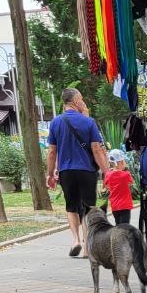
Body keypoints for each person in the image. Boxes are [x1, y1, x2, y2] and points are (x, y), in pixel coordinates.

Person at [46, 87, 109, 257]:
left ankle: (75, 240)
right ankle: (87, 248)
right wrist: (106, 171)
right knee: (88, 208)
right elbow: (96, 149)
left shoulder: (55, 122)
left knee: (71, 206)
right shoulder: (89, 122)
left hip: (66, 171)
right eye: (81, 98)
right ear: (75, 101)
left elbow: (52, 151)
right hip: (86, 170)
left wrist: (50, 174)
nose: (83, 102)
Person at [103, 149, 134, 224]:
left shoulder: (108, 174)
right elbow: (130, 183)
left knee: (118, 225)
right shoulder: (126, 174)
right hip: (125, 205)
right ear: (121, 162)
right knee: (125, 227)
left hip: (115, 206)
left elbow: (106, 186)